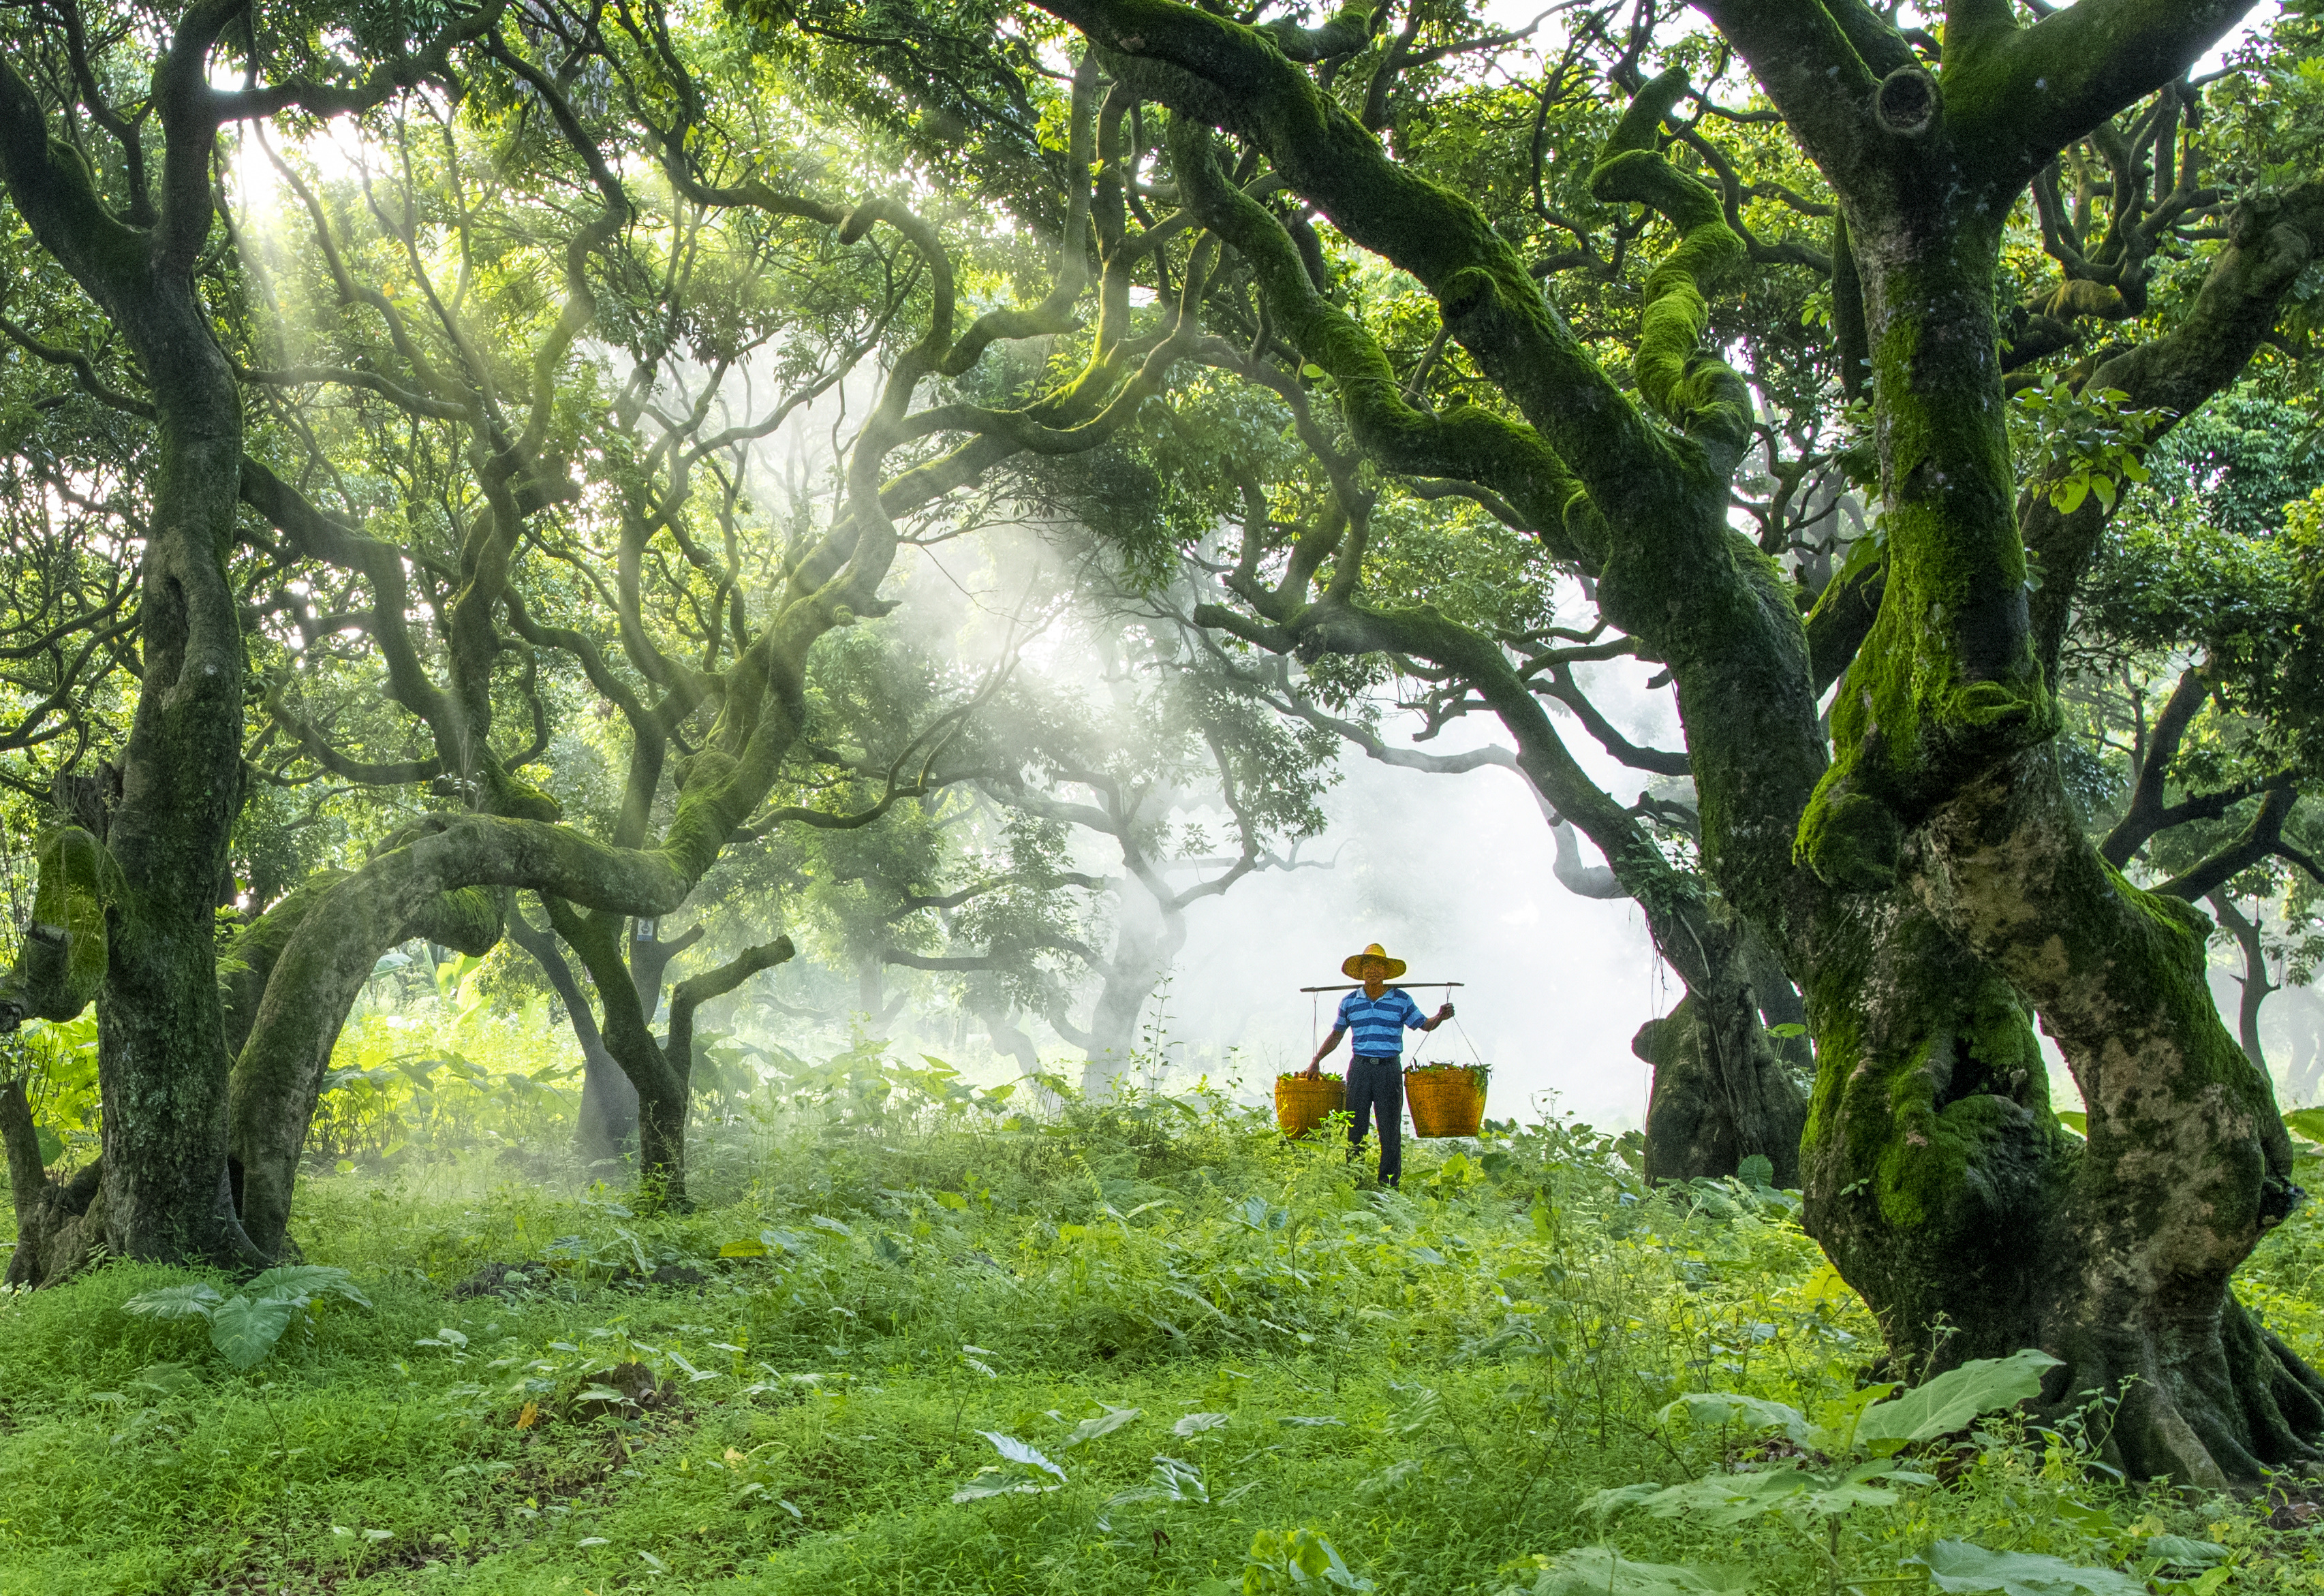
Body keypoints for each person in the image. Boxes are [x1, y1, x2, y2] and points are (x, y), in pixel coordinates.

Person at [1306, 943, 1453, 1187]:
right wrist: (1316, 1060)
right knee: (1356, 1127)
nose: (1372, 970)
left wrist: (1440, 1016)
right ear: (1361, 972)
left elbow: (1424, 1025)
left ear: (1385, 972)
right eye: (1367, 966)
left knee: (1389, 1128)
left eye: (1378, 966)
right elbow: (1336, 1035)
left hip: (1388, 1069)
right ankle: (1354, 1181)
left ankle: (1389, 1186)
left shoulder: (1402, 1000)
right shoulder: (1350, 1002)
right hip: (1360, 1069)